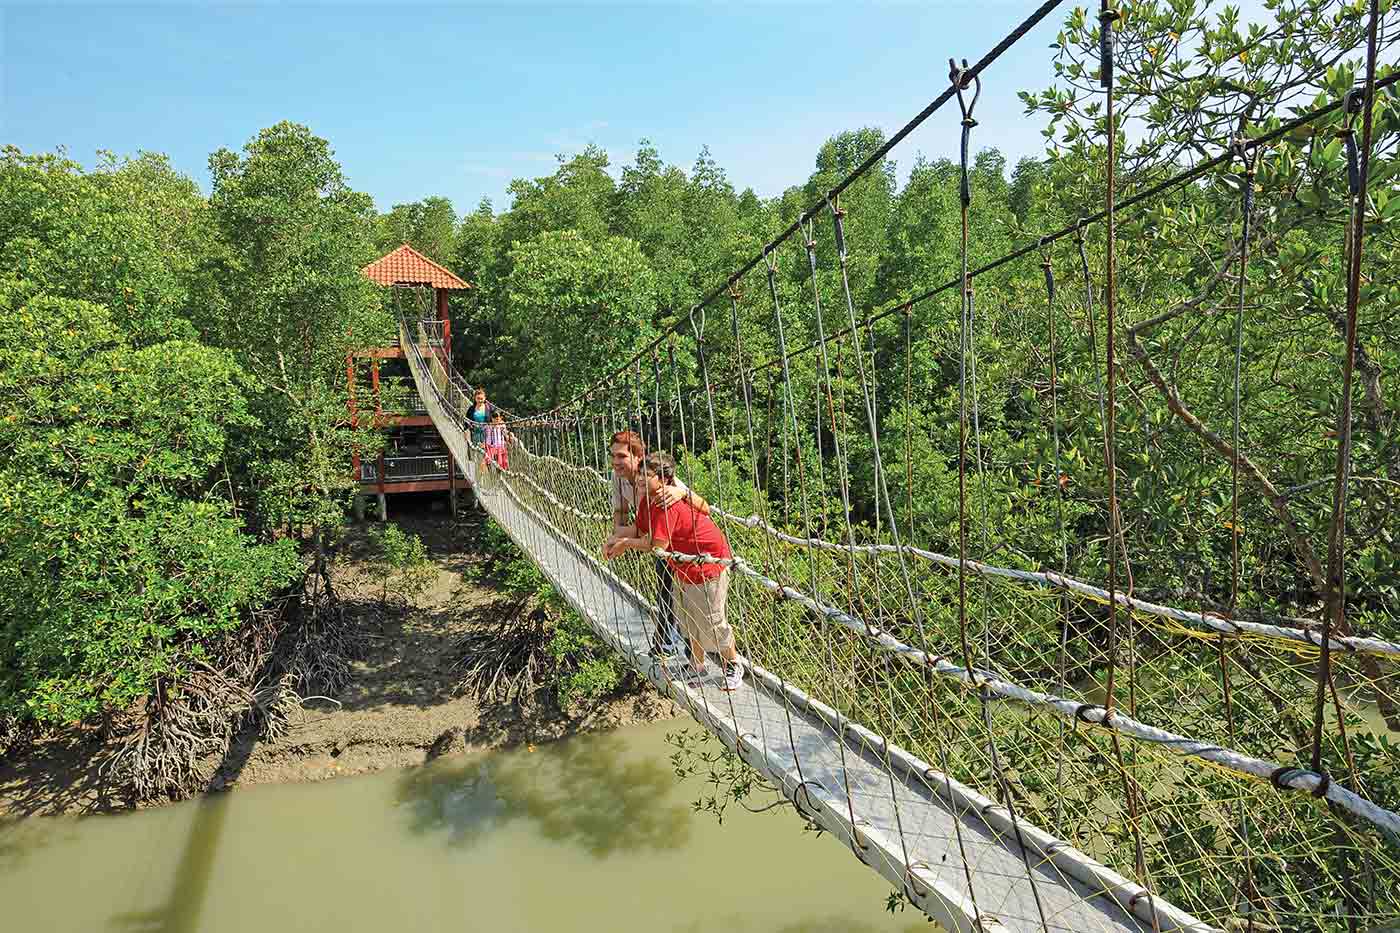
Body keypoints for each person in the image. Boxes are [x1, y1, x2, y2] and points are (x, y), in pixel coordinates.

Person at [603, 451, 743, 692]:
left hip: (709, 563)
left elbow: (657, 546)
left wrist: (624, 545)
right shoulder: (648, 499)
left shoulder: (669, 503)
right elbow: (638, 529)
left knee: (711, 620)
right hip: (684, 565)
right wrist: (614, 537)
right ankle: (697, 665)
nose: (640, 480)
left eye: (648, 476)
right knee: (687, 616)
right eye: (640, 475)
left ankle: (733, 665)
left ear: (664, 479)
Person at [604, 430, 709, 660]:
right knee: (666, 592)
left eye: (621, 456)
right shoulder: (618, 477)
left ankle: (684, 651)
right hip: (659, 538)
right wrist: (615, 537)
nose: (615, 462)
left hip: (686, 545)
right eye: (612, 456)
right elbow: (621, 511)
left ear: (638, 457)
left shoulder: (661, 479)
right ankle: (667, 645)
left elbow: (704, 507)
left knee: (683, 598)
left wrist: (681, 492)